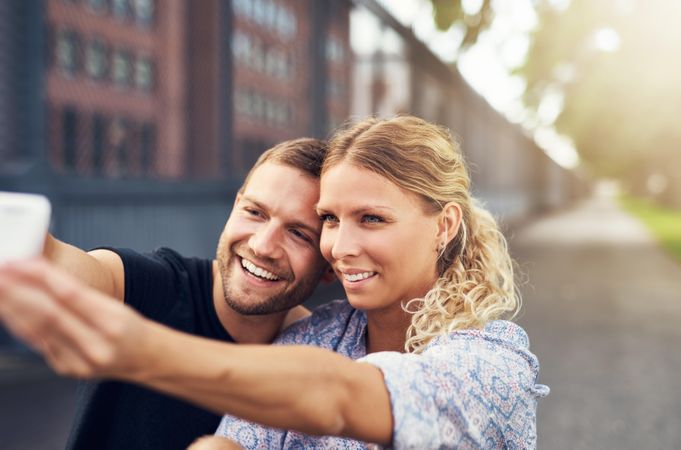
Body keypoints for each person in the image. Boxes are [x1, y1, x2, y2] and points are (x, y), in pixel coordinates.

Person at [0, 116, 549, 449]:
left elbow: (333, 393)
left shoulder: (494, 363)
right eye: (332, 220)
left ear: (445, 225)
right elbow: (236, 440)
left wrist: (137, 350)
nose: (343, 244)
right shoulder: (316, 336)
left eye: (372, 218)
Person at [24, 137, 333, 450]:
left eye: (298, 234)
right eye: (254, 212)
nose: (262, 246)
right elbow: (63, 264)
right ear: (234, 206)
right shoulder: (155, 284)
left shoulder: (322, 352)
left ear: (329, 263)